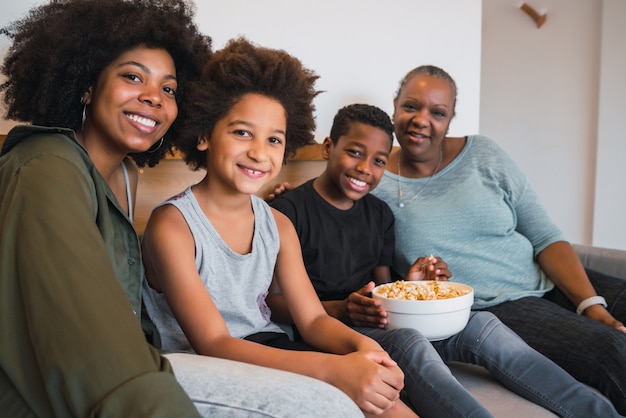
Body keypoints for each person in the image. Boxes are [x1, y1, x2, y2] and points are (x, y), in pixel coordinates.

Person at [0, 1, 363, 417]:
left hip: (136, 358)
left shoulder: (124, 176)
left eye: (169, 89)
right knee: (325, 405)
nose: (153, 98)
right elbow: (82, 340)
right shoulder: (48, 170)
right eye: (133, 76)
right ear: (86, 84)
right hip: (85, 382)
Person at [267, 103, 622, 418]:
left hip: (377, 320)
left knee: (483, 326)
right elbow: (275, 304)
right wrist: (343, 308)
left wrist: (413, 284)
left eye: (378, 160)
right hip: (331, 329)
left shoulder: (379, 213)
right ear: (329, 147)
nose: (365, 169)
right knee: (409, 343)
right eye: (354, 153)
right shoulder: (290, 211)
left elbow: (382, 284)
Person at [140, 37, 413, 418]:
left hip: (267, 345)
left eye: (274, 140)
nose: (258, 152)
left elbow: (314, 319)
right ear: (203, 134)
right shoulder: (172, 225)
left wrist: (362, 349)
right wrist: (335, 371)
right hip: (203, 364)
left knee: (387, 405)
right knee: (339, 404)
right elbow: (214, 342)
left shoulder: (278, 225)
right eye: (241, 133)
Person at [369, 64, 626, 414]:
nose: (422, 119)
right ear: (395, 105)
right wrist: (286, 196)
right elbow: (329, 202)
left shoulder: (484, 154)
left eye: (438, 112)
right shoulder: (372, 179)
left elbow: (546, 236)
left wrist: (590, 305)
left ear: (451, 118)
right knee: (611, 349)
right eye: (411, 106)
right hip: (495, 307)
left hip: (546, 281)